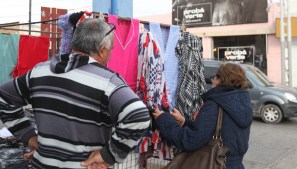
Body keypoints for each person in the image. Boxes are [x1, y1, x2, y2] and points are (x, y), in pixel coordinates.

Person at [0, 18, 150, 169]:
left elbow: (3, 97)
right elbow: (138, 116)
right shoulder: (107, 83)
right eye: (111, 50)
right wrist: (109, 155)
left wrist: (30, 137)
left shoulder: (39, 72)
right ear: (102, 49)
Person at [153, 63, 253, 169]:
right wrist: (185, 122)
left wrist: (164, 119)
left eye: (215, 77)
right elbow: (221, 129)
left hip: (216, 164)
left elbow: (190, 141)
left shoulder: (215, 103)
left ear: (222, 79)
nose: (212, 81)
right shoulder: (244, 104)